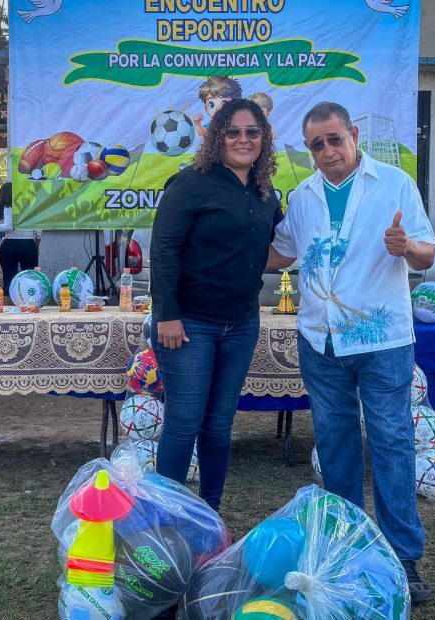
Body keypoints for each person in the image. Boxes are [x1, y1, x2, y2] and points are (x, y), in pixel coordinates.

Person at [267, 102, 435, 603]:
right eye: (316, 144)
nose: (327, 151)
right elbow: (279, 252)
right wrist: (221, 241)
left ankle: (403, 559)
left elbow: (427, 253)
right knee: (335, 446)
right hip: (320, 342)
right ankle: (343, 552)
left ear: (354, 135)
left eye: (334, 139)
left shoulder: (395, 184)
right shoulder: (302, 197)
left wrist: (406, 246)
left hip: (382, 342)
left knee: (391, 443)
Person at [151, 98, 282, 512]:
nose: (243, 139)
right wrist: (167, 315)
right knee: (183, 422)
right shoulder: (190, 183)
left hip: (241, 325)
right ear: (217, 137)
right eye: (233, 132)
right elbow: (164, 250)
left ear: (263, 138)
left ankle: (209, 513)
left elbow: (280, 247)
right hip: (189, 324)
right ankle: (167, 518)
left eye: (252, 132)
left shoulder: (264, 192)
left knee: (219, 425)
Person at [0, 182, 41, 301]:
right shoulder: (31, 207)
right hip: (28, 245)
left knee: (8, 279)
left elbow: (8, 226)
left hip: (9, 245)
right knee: (30, 278)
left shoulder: (5, 208)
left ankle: (7, 306)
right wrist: (36, 247)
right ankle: (30, 303)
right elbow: (39, 232)